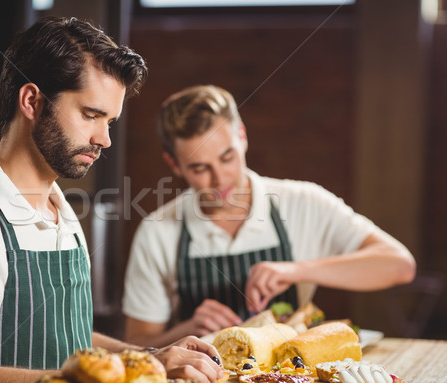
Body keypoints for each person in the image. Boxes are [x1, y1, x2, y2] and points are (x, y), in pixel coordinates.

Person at [0, 18, 223, 383]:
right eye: (90, 115)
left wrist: (148, 357)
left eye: (110, 122)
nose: (103, 138)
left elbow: (67, 335)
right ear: (32, 101)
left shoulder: (62, 209)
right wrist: (129, 373)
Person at [122, 85, 416, 348]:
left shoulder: (304, 203)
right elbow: (137, 342)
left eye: (228, 158)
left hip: (291, 381)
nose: (220, 179)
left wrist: (296, 271)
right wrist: (185, 331)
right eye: (200, 168)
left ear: (242, 136)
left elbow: (399, 266)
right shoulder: (158, 231)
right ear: (174, 165)